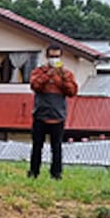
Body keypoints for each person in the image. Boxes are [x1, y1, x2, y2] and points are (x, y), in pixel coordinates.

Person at [28, 44, 77, 180]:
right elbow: (35, 86)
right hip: (40, 114)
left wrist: (63, 77)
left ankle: (56, 174)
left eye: (56, 56)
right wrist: (47, 75)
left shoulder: (66, 73)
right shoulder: (39, 71)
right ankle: (33, 172)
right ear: (46, 56)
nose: (54, 59)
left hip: (58, 115)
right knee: (37, 146)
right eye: (51, 56)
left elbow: (72, 92)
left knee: (57, 147)